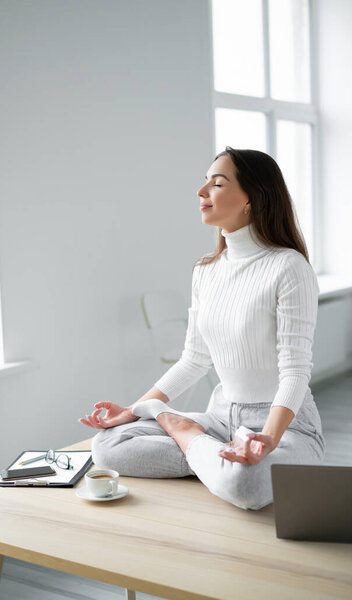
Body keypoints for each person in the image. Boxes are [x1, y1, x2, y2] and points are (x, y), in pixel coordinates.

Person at [78, 146, 326, 511]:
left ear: (251, 199)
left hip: (284, 425)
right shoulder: (206, 270)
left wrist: (266, 441)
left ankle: (201, 449)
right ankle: (208, 456)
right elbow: (194, 359)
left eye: (217, 183)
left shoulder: (288, 267)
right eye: (204, 182)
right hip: (220, 417)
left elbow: (295, 372)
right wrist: (133, 410)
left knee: (249, 484)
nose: (201, 192)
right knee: (108, 446)